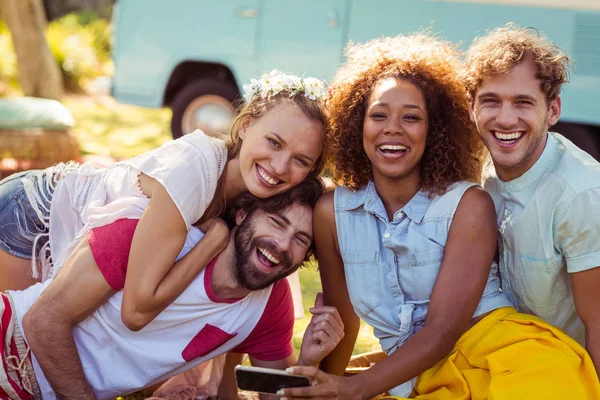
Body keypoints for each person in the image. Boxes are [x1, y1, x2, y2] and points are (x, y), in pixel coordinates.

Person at [280, 33, 600, 399]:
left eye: (412, 117)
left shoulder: (473, 203)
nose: (392, 128)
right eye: (378, 115)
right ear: (356, 124)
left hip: (504, 358)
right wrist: (326, 388)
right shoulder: (332, 213)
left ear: (434, 128)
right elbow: (343, 325)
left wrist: (354, 389)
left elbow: (443, 330)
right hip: (419, 373)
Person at [0, 70, 328, 330]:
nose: (281, 166)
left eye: (301, 160)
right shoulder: (194, 169)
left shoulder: (264, 199)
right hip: (32, 217)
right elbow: (137, 311)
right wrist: (211, 242)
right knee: (19, 345)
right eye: (273, 142)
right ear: (244, 126)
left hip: (65, 227)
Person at [0, 177, 344, 399]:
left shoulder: (270, 303)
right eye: (276, 222)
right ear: (242, 215)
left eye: (300, 239)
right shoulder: (155, 236)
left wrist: (309, 360)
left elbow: (272, 392)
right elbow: (41, 320)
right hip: (9, 344)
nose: (283, 245)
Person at [463, 24, 600, 373]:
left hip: (567, 376)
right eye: (491, 101)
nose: (505, 118)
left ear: (553, 111)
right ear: (471, 108)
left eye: (523, 102)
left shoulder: (581, 194)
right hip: (503, 364)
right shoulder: (477, 176)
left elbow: (598, 324)